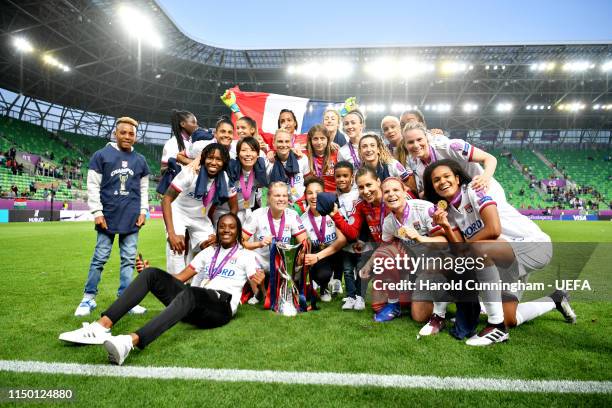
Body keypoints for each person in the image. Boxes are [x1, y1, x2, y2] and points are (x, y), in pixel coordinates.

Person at [59, 213, 265, 366]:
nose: (226, 230)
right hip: (194, 305)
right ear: (217, 230)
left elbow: (258, 294)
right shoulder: (208, 252)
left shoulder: (246, 256)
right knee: (152, 275)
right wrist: (153, 275)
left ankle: (129, 342)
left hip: (220, 307)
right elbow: (178, 279)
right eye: (222, 227)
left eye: (231, 227)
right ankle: (100, 327)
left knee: (192, 292)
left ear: (238, 231)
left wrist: (261, 284)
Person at [423, 159, 576, 346]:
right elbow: (461, 249)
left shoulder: (474, 190)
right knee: (510, 318)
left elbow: (493, 229)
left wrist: (466, 247)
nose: (442, 182)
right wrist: (446, 227)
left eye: (446, 176)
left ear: (456, 178)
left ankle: (496, 326)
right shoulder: (449, 212)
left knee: (476, 253)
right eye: (436, 180)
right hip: (503, 257)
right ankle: (556, 299)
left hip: (532, 245)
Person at [74, 117, 149, 317]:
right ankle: (88, 298)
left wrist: (143, 211)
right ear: (115, 133)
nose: (127, 136)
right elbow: (92, 186)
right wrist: (97, 212)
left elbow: (143, 189)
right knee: (99, 258)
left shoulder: (140, 160)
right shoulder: (101, 155)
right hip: (107, 217)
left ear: (136, 136)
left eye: (131, 133)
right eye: (123, 132)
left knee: (128, 260)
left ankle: (126, 300)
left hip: (132, 218)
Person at [162, 143, 238, 275]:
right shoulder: (190, 172)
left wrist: (219, 235)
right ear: (203, 159)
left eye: (218, 159)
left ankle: (198, 287)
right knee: (177, 247)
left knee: (212, 248)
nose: (214, 162)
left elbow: (234, 208)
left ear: (224, 162)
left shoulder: (224, 178)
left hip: (200, 217)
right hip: (178, 213)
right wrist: (172, 234)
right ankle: (176, 288)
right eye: (210, 158)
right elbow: (166, 199)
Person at [241, 181, 308, 304]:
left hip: (283, 261)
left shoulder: (292, 215)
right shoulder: (257, 214)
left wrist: (299, 255)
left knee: (305, 256)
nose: (281, 199)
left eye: (284, 196)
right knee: (245, 256)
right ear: (269, 198)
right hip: (261, 259)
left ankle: (295, 289)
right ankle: (259, 293)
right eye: (277, 196)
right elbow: (240, 242)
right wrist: (259, 244)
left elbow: (304, 242)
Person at [403, 121, 501, 199]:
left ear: (426, 138)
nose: (416, 145)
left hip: (487, 191)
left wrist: (485, 178)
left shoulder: (451, 147)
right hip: (465, 205)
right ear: (405, 146)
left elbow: (490, 158)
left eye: (419, 139)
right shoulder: (420, 169)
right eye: (410, 142)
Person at [300, 177, 348, 301]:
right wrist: (316, 257)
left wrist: (319, 256)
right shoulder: (302, 219)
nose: (314, 196)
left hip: (336, 253)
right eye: (310, 193)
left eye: (318, 192)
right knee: (323, 273)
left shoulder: (333, 212)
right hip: (318, 255)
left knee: (347, 248)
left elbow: (342, 241)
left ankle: (337, 278)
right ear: (305, 196)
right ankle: (323, 285)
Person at [332, 161, 366, 310]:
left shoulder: (358, 193)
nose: (341, 179)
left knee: (360, 269)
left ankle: (360, 297)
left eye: (345, 176)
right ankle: (351, 296)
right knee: (347, 270)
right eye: (338, 176)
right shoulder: (336, 196)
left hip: (359, 239)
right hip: (345, 240)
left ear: (352, 177)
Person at [226, 136, 268, 223]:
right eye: (244, 150)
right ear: (238, 154)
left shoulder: (260, 169)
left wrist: (264, 210)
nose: (248, 154)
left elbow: (263, 189)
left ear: (258, 154)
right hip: (226, 211)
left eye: (252, 150)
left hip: (247, 210)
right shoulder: (231, 168)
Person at [265, 129, 310, 204]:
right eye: (280, 141)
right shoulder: (268, 162)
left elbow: (307, 180)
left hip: (299, 204)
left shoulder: (301, 158)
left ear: (291, 143)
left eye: (287, 141)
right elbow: (265, 187)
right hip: (277, 204)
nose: (284, 145)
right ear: (273, 143)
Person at [307, 124, 337, 192]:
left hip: (333, 196)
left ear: (328, 139)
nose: (319, 142)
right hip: (314, 196)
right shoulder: (305, 155)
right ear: (310, 141)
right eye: (315, 139)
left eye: (322, 138)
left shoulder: (336, 154)